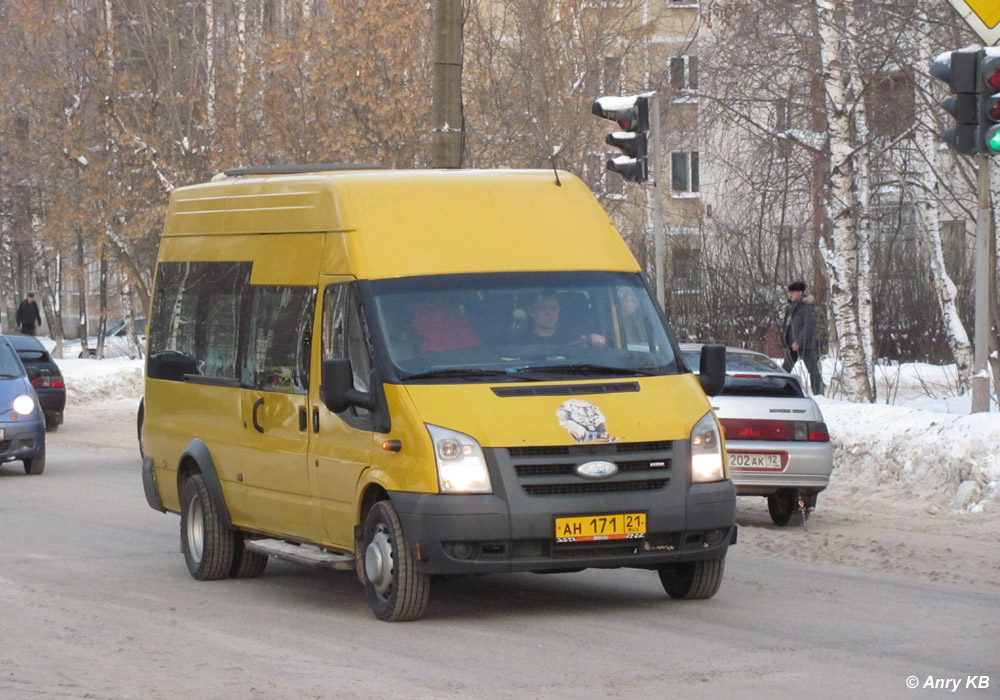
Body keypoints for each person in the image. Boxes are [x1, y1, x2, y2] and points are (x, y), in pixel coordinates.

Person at [514, 290, 605, 348]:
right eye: (543, 308)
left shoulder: (575, 339)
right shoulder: (518, 341)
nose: (549, 313)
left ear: (559, 311)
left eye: (554, 308)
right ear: (531, 312)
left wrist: (597, 344)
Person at [782, 281, 822, 395]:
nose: (790, 295)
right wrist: (785, 343)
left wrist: (798, 342)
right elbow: (787, 326)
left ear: (800, 292)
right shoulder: (791, 307)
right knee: (785, 370)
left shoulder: (807, 308)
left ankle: (818, 393)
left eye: (793, 292)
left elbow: (809, 327)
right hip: (791, 346)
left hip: (805, 346)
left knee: (813, 371)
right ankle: (781, 391)